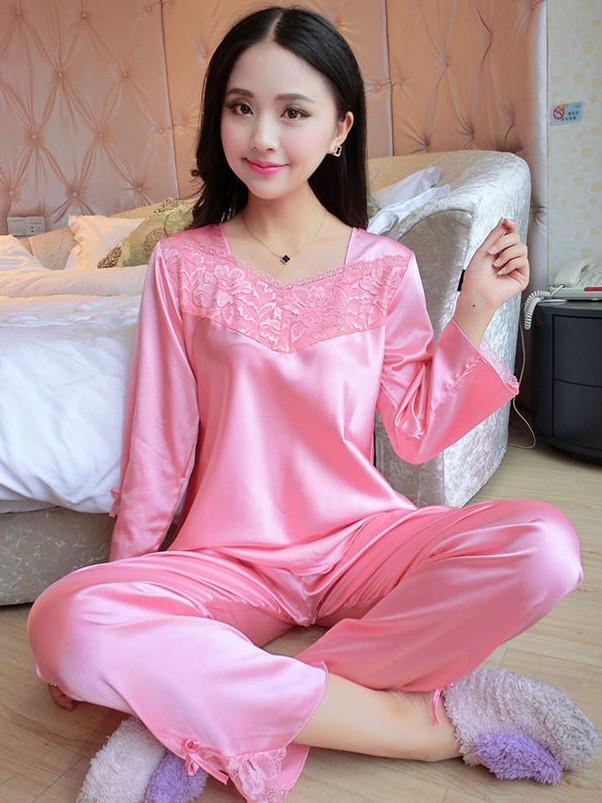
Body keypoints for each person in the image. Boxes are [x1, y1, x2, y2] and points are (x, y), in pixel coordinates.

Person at [27, 5, 598, 803]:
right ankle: (414, 723)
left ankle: (221, 709)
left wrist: (474, 308)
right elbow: (160, 444)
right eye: (241, 107)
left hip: (361, 538)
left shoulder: (384, 268)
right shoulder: (181, 266)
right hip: (229, 557)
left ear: (340, 128)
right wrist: (126, 583)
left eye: (293, 112)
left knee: (546, 547)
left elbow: (417, 427)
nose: (262, 136)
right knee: (63, 621)